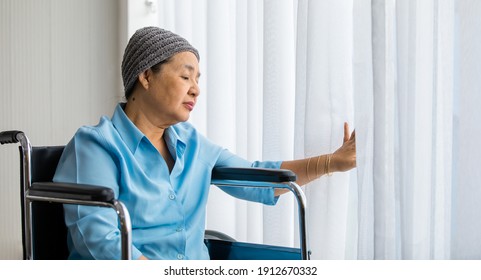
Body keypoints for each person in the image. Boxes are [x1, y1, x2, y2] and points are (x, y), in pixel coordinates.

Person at [53, 26, 356, 260]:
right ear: (146, 76)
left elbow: (258, 178)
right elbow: (97, 238)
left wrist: (332, 162)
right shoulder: (95, 146)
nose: (196, 90)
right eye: (186, 77)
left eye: (198, 79)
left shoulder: (192, 144)